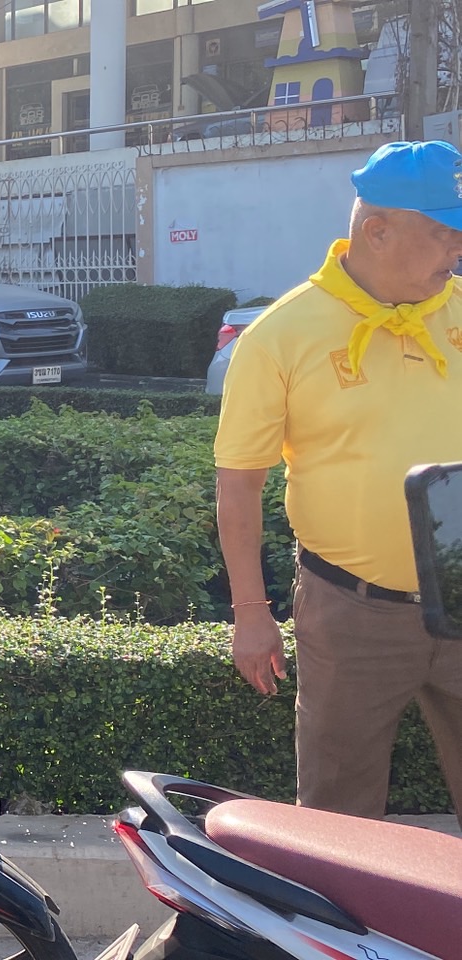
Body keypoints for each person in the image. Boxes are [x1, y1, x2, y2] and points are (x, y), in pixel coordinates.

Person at [216, 140, 462, 825]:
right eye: (445, 231)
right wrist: (251, 612)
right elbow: (239, 484)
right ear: (377, 231)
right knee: (338, 819)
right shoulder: (281, 334)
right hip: (353, 610)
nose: (458, 248)